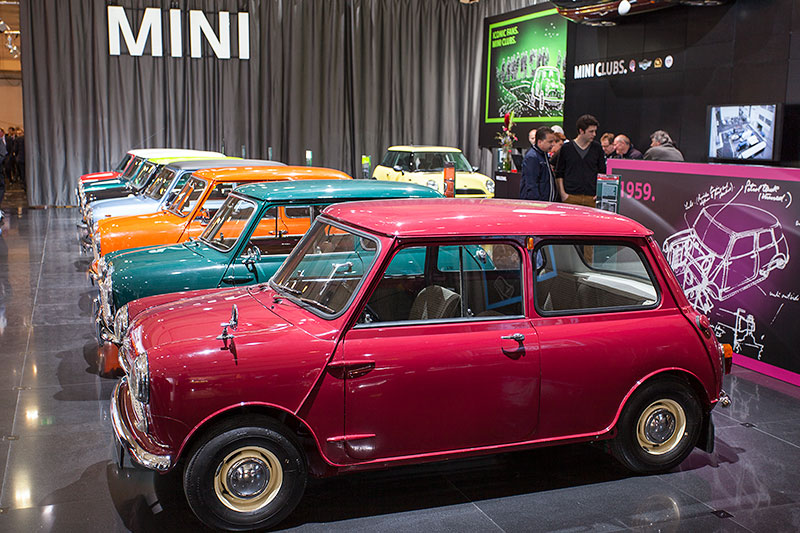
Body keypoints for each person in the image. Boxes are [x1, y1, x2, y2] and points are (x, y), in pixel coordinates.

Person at [554, 114, 605, 207]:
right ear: (581, 131)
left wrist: (600, 193)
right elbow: (559, 172)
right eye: (591, 131)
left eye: (595, 131)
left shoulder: (597, 148)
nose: (594, 134)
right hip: (570, 196)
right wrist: (563, 194)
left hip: (591, 198)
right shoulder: (566, 148)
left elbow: (602, 172)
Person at [520, 126, 556, 201]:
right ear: (539, 142)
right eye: (550, 142)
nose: (553, 144)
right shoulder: (532, 157)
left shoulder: (544, 154)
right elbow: (531, 184)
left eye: (553, 141)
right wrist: (537, 203)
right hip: (537, 204)